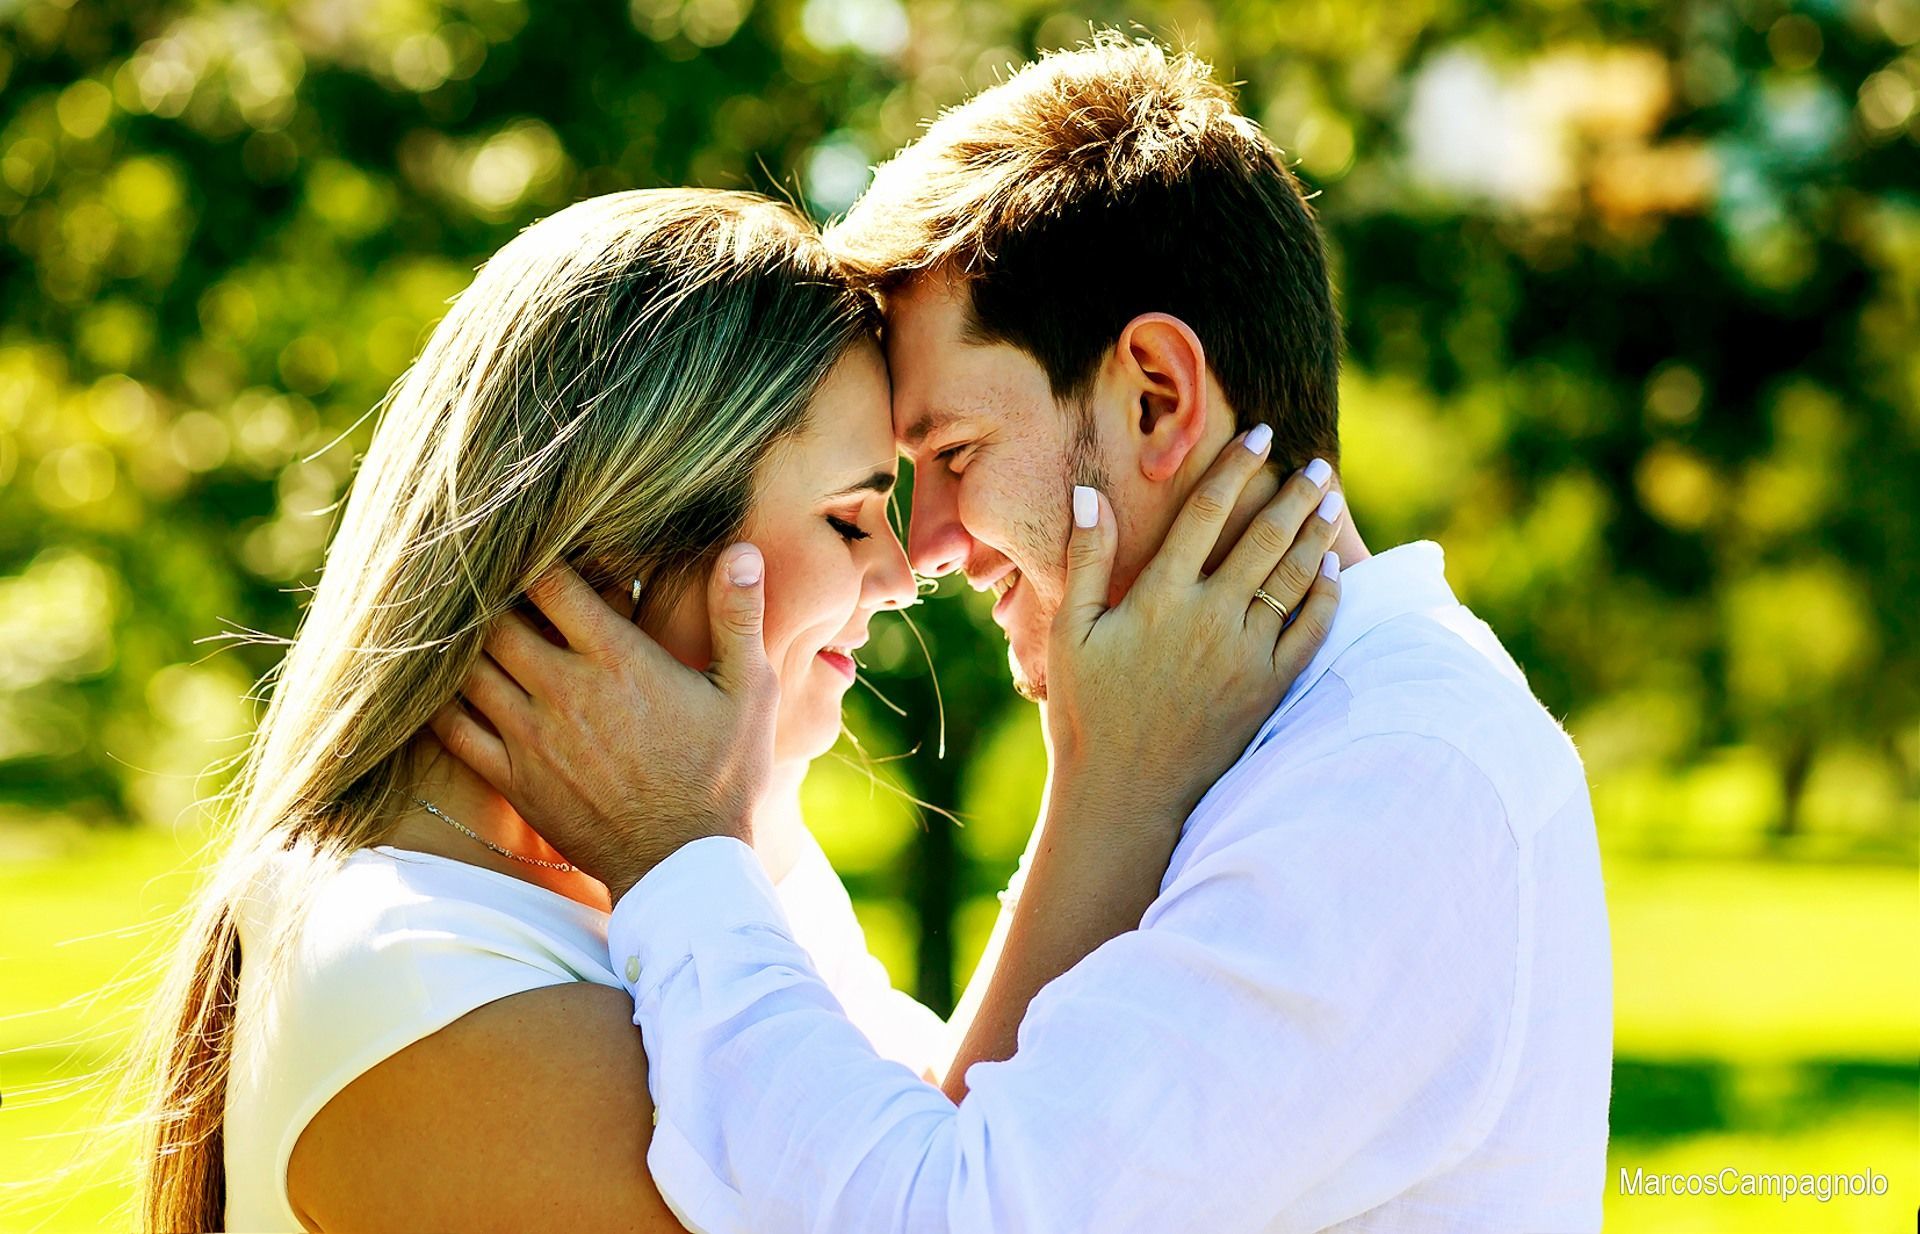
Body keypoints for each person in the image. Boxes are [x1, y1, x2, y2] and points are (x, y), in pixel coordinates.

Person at [446, 34, 1613, 1234]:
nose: (929, 548)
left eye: (954, 455)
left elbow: (950, 1214)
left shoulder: (1393, 785)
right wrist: (1104, 789)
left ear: (1155, 394)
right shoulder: (1262, 747)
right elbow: (956, 1128)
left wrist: (680, 856)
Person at [132, 185, 1342, 1232]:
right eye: (851, 512)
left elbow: (944, 1164)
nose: (904, 567)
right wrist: (1115, 779)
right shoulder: (400, 981)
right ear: (627, 542)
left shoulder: (703, 855)